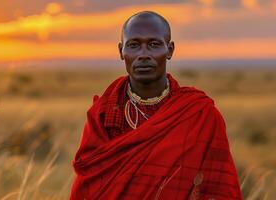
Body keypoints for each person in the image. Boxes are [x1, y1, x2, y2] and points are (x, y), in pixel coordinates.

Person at [70, 11, 242, 200]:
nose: (143, 55)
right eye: (134, 45)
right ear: (121, 51)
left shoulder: (200, 115)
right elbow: (88, 189)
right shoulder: (104, 116)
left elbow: (219, 189)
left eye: (154, 44)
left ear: (170, 50)